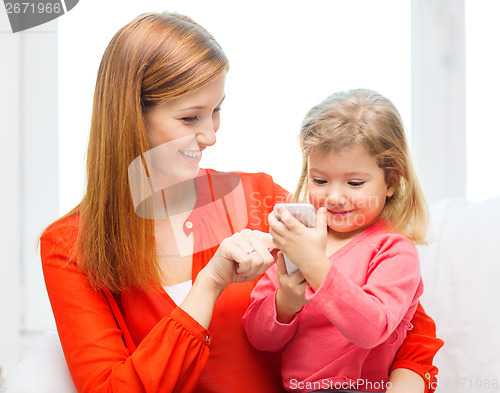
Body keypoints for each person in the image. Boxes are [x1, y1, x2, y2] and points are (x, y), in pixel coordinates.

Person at [39, 13, 443, 393]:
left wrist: (403, 383)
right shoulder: (70, 246)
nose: (211, 135)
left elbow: (400, 321)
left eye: (216, 111)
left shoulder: (257, 197)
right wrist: (210, 285)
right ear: (130, 116)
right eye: (190, 118)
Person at [243, 89, 437, 393]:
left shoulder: (394, 250)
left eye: (354, 183)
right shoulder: (298, 238)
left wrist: (315, 265)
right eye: (320, 180)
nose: (334, 197)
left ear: (391, 182)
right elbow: (259, 339)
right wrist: (286, 303)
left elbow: (372, 328)